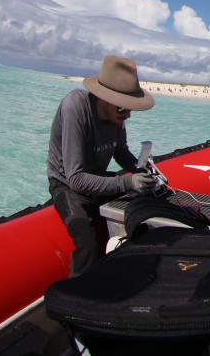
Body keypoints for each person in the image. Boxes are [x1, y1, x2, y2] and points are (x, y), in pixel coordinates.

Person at [47, 55, 157, 275]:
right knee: (86, 239)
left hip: (95, 178)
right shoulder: (75, 107)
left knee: (143, 208)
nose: (128, 114)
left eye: (129, 108)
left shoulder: (117, 115)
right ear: (103, 98)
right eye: (123, 109)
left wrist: (139, 168)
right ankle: (78, 299)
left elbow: (120, 150)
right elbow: (76, 179)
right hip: (68, 185)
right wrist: (127, 182)